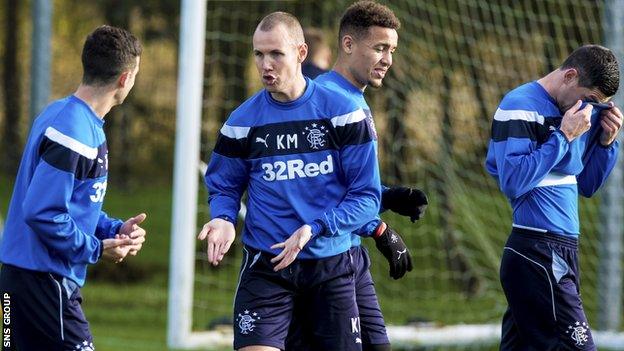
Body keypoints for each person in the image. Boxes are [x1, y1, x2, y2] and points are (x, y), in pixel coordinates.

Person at [198, 11, 381, 351]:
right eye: (258, 54)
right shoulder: (241, 122)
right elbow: (224, 185)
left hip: (330, 266)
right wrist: (222, 218)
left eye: (275, 54)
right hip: (266, 268)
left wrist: (316, 227)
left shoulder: (344, 113)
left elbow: (367, 197)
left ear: (300, 53)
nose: (265, 64)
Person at [285, 2, 428, 350]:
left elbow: (342, 180)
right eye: (379, 48)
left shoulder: (352, 98)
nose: (388, 59)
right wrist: (378, 228)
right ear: (348, 45)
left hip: (351, 252)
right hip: (324, 257)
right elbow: (318, 190)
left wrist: (388, 196)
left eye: (392, 50)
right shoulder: (329, 100)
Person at [0, 25, 147, 351]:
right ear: (125, 79)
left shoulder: (66, 115)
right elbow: (42, 212)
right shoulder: (75, 132)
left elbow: (72, 205)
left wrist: (113, 229)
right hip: (42, 281)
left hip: (24, 278)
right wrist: (97, 249)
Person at [485, 44, 622, 350]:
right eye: (590, 100)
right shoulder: (520, 104)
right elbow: (513, 181)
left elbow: (585, 184)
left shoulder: (577, 112)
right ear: (570, 76)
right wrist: (563, 136)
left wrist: (606, 143)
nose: (590, 110)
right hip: (537, 251)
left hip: (563, 249)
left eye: (599, 105)